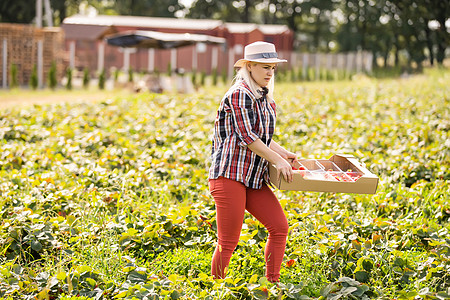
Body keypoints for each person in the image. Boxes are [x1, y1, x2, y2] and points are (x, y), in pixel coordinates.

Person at [208, 41, 298, 283]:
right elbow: (248, 138)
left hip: (252, 176)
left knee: (279, 227)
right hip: (229, 175)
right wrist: (277, 160)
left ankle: (273, 283)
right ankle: (215, 288)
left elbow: (262, 137)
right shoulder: (239, 94)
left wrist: (284, 153)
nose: (270, 73)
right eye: (265, 67)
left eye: (273, 68)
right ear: (249, 67)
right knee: (228, 241)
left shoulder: (263, 97)